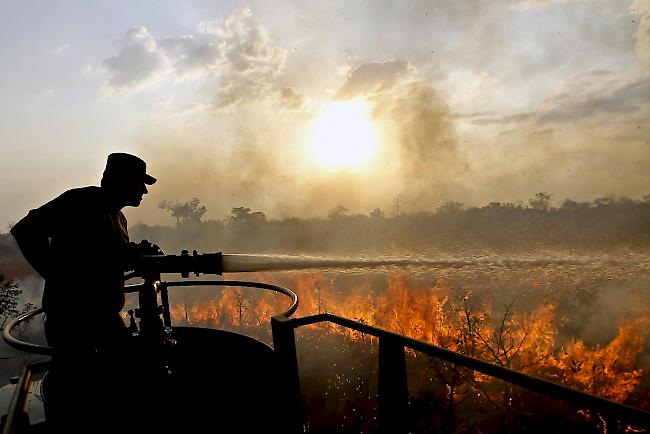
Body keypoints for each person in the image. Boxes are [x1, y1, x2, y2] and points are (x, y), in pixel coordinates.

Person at [10, 152, 158, 431]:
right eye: (140, 183)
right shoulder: (81, 201)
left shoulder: (119, 218)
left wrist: (133, 254)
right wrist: (54, 273)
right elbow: (25, 230)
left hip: (105, 316)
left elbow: (100, 256)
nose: (144, 190)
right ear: (121, 181)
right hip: (73, 319)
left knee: (118, 376)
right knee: (76, 389)